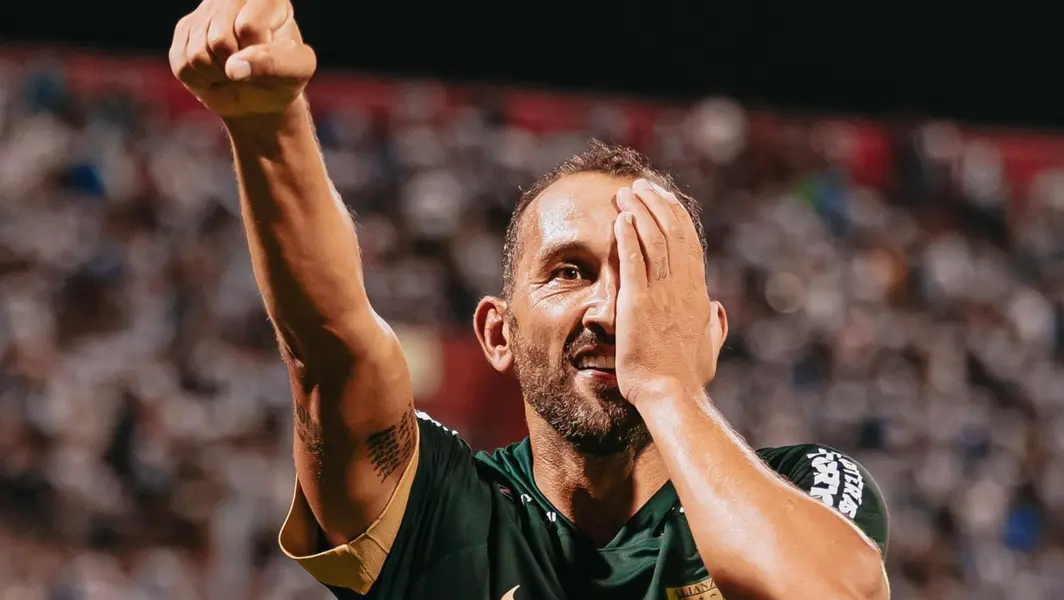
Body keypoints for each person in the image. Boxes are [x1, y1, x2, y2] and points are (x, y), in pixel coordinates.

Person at [169, 1, 891, 598]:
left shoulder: (806, 487)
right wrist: (268, 125)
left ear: (708, 335)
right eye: (570, 272)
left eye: (647, 277)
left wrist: (666, 386)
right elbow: (330, 347)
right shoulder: (440, 513)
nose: (610, 310)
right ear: (497, 332)